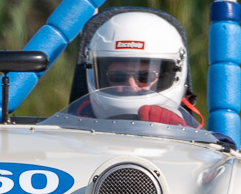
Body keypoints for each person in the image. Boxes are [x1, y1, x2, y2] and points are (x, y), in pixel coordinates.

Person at [67, 7, 202, 127]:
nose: (131, 86)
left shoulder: (196, 140)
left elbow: (218, 145)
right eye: (118, 77)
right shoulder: (70, 128)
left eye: (145, 77)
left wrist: (177, 131)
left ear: (171, 76)